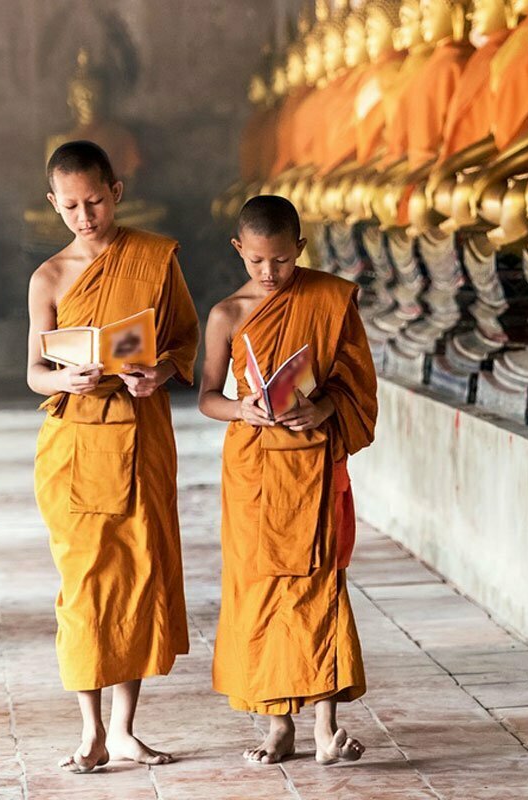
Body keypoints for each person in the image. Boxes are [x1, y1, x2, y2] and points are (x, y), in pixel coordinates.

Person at [26, 140, 199, 773]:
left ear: (116, 190)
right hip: (76, 447)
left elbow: (183, 339)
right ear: (53, 204)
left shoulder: (155, 258)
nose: (84, 216)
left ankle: (125, 731)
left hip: (141, 432)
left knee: (135, 578)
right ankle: (89, 731)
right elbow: (35, 373)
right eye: (69, 205)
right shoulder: (48, 277)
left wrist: (161, 372)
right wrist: (64, 380)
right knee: (85, 587)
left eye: (94, 200)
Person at [198, 195, 378, 765]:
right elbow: (206, 398)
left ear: (300, 247)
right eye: (256, 262)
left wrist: (323, 409)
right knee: (258, 592)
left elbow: (357, 387)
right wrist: (242, 410)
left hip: (310, 462)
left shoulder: (329, 299)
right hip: (252, 468)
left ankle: (325, 729)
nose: (270, 273)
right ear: (239, 251)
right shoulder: (227, 314)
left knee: (317, 584)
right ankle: (278, 725)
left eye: (280, 260)